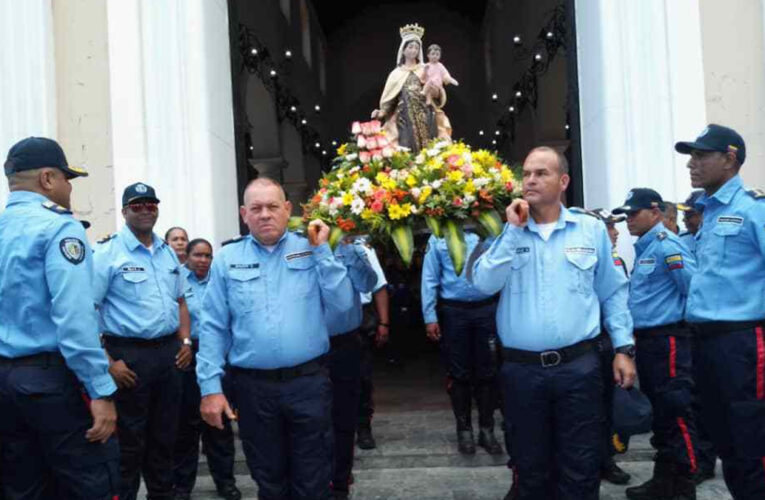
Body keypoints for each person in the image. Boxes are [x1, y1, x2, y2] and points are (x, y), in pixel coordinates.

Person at [471, 146, 635, 500]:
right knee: (530, 467)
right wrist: (512, 232)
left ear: (563, 181)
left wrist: (623, 348)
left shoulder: (589, 230)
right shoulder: (507, 233)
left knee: (581, 465)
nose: (530, 180)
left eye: (541, 173)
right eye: (526, 173)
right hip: (522, 372)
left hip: (578, 369)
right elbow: (483, 284)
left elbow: (612, 291)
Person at [197, 178, 355, 500]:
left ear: (287, 210)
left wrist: (322, 251)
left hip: (308, 385)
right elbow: (214, 326)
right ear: (244, 214)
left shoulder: (311, 248)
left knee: (313, 480)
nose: (265, 214)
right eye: (256, 208)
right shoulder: (227, 259)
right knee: (268, 480)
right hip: (254, 391)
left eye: (272, 207)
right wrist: (211, 389)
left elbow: (343, 305)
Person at [0, 137, 119, 499]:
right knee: (90, 483)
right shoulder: (59, 228)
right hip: (51, 380)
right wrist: (100, 389)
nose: (69, 188)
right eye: (68, 179)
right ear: (48, 179)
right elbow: (74, 318)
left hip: (5, 383)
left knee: (23, 487)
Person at [676, 124, 765, 500]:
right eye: (690, 156)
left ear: (730, 159)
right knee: (725, 441)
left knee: (751, 442)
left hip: (741, 342)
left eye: (701, 155)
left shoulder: (752, 209)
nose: (691, 164)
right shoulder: (708, 211)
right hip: (706, 343)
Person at [93, 182, 192, 500]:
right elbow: (85, 311)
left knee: (165, 439)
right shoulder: (107, 253)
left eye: (151, 204)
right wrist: (108, 362)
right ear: (124, 212)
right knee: (129, 445)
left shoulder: (166, 253)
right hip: (127, 358)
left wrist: (186, 343)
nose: (146, 209)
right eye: (137, 205)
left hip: (168, 355)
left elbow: (181, 301)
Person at [611, 188, 699, 500]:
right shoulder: (647, 246)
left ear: (656, 212)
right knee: (661, 417)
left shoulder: (667, 246)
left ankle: (686, 485)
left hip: (669, 340)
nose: (628, 220)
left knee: (676, 413)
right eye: (626, 215)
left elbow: (693, 289)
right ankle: (664, 481)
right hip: (649, 342)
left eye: (634, 214)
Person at [421, 232, 503, 455]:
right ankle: (464, 431)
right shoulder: (438, 236)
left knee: (488, 372)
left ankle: (487, 430)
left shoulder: (491, 231)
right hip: (454, 312)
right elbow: (430, 277)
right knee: (458, 374)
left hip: (487, 309)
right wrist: (430, 316)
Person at [173, 238, 241, 500]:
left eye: (207, 256)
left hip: (218, 357)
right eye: (198, 255)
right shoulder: (178, 279)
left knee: (220, 426)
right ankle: (182, 486)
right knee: (186, 427)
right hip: (187, 355)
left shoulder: (220, 279)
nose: (203, 260)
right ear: (187, 256)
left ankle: (226, 483)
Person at [325, 239, 380, 499]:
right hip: (309, 345)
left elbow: (369, 284)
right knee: (312, 419)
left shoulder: (355, 247)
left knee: (343, 418)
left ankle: (339, 482)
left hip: (345, 343)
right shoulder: (300, 245)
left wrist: (348, 250)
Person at [589, 208, 632, 485]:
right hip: (587, 344)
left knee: (606, 406)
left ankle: (606, 458)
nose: (615, 233)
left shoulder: (616, 261)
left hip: (609, 343)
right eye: (609, 227)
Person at [371, 23, 451, 153]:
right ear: (403, 49)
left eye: (416, 47)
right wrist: (381, 113)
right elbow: (389, 101)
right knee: (407, 149)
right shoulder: (396, 74)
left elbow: (438, 94)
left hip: (426, 114)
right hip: (405, 117)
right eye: (410, 47)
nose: (413, 50)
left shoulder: (426, 69)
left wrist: (435, 90)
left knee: (431, 147)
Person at [356, 251, 390, 451]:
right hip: (328, 320)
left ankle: (363, 428)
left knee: (363, 379)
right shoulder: (316, 246)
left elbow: (379, 286)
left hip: (361, 315)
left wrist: (384, 322)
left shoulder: (363, 249)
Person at [421, 44, 459, 108]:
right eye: (433, 54)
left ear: (440, 56)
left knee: (430, 83)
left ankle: (424, 93)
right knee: (429, 84)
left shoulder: (440, 66)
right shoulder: (426, 66)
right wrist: (425, 70)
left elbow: (445, 74)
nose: (435, 56)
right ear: (428, 55)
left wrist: (449, 79)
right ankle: (428, 99)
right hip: (428, 86)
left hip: (437, 86)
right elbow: (422, 77)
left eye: (437, 54)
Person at [677, 190, 704, 257]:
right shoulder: (681, 241)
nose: (684, 220)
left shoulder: (717, 240)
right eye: (684, 214)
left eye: (689, 215)